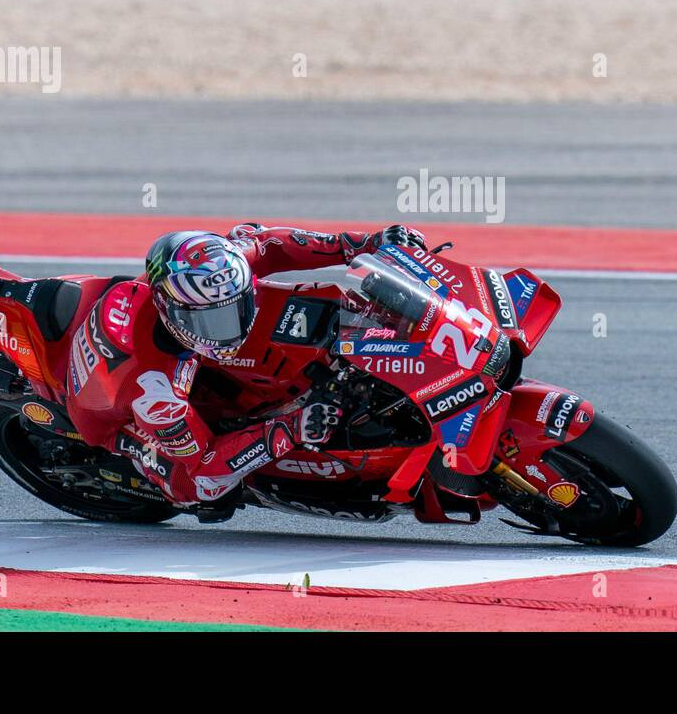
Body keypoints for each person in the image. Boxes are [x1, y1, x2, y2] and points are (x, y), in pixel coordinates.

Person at [63, 221, 425, 520]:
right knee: (204, 491)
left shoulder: (214, 269)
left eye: (235, 308)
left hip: (166, 349)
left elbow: (272, 244)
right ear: (170, 310)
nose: (229, 328)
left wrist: (365, 243)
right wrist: (290, 427)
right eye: (212, 321)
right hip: (114, 416)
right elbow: (206, 465)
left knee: (319, 304)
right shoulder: (155, 393)